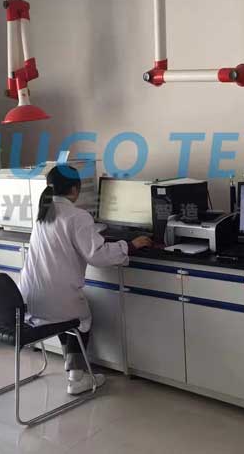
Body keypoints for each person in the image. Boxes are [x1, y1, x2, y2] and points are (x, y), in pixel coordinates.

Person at [19, 165, 152, 395]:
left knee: (68, 315)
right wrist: (130, 245)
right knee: (81, 318)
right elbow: (97, 255)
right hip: (54, 300)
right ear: (75, 189)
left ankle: (72, 366)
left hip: (29, 299)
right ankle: (76, 377)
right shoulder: (77, 216)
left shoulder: (44, 212)